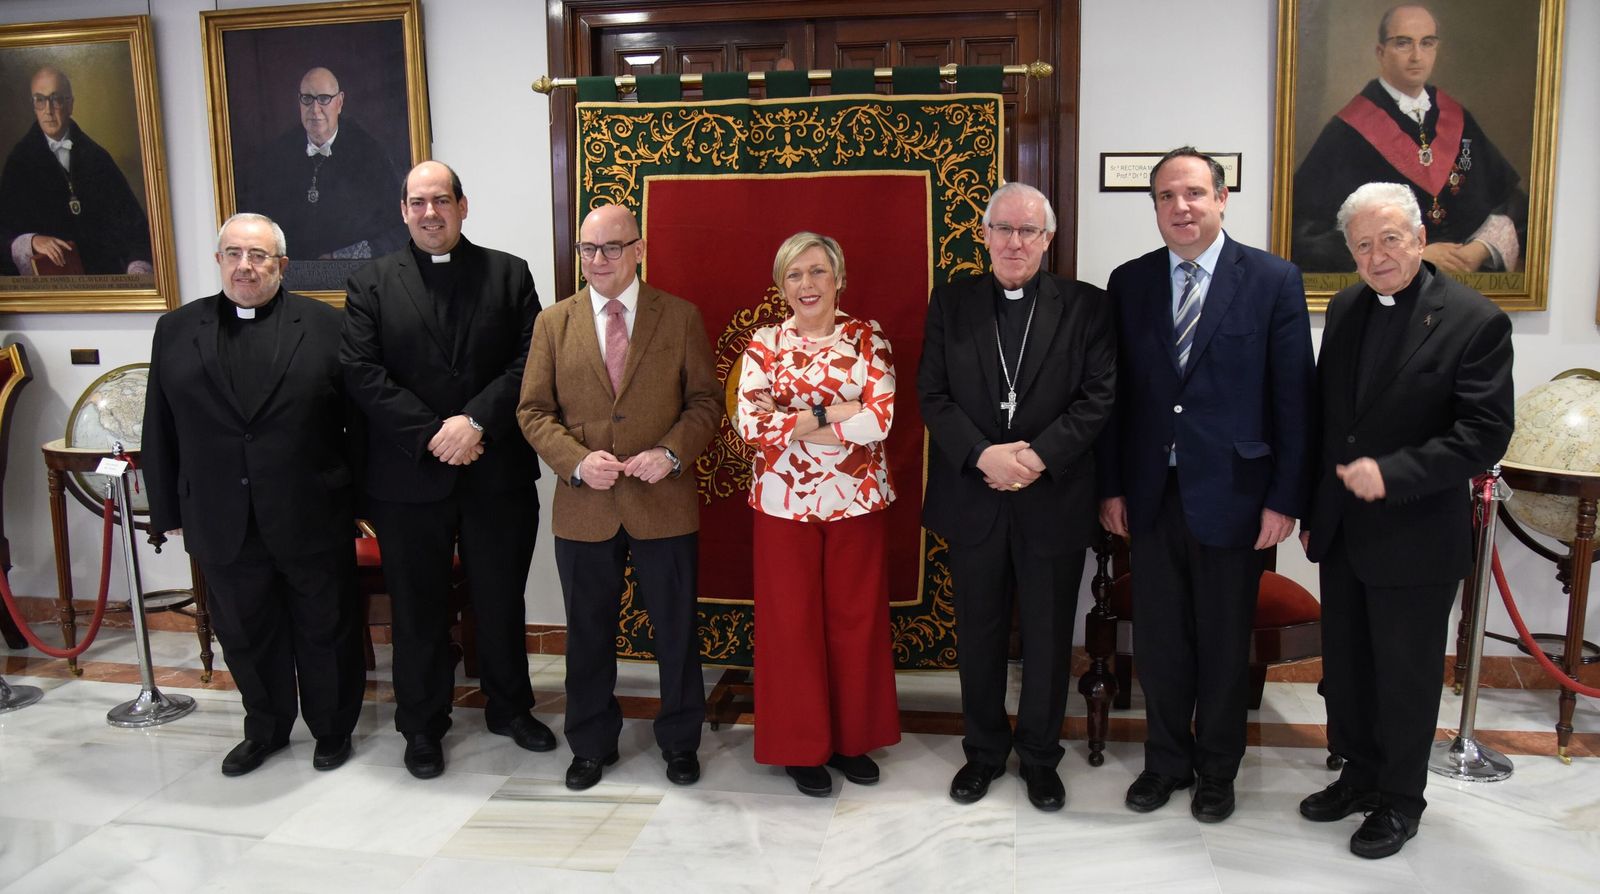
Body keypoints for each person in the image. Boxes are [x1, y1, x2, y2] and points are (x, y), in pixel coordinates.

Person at [1098, 147, 1316, 823]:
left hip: (1239, 497)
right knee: (1160, 641)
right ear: (1155, 207)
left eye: (1194, 193)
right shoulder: (1128, 283)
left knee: (1224, 643)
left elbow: (1295, 402)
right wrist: (1111, 487)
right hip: (1151, 495)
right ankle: (1166, 762)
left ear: (1223, 199)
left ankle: (1218, 770)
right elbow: (1115, 399)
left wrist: (1285, 498)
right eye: (1166, 196)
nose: (1181, 207)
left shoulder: (1272, 280)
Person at [1299, 182, 1513, 859]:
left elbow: (1484, 434)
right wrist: (1317, 508)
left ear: (1420, 238)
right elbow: (1333, 421)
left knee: (1405, 676)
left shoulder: (1474, 321)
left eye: (1390, 238)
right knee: (1351, 670)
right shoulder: (1346, 306)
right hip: (1344, 534)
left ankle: (1400, 800)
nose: (1377, 254)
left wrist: (1393, 474)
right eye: (1362, 244)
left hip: (1416, 536)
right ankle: (1358, 775)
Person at [341, 160, 552, 779]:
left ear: (464, 205)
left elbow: (529, 361)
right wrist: (434, 433)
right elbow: (362, 372)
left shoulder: (509, 274)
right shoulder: (370, 283)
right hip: (410, 477)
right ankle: (422, 724)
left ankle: (511, 708)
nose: (429, 212)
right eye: (417, 202)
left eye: (441, 200)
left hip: (496, 473)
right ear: (402, 210)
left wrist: (475, 423)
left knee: (500, 599)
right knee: (417, 607)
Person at [141, 212, 363, 776]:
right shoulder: (175, 329)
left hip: (311, 509)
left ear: (281, 265)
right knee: (243, 632)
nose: (246, 266)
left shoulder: (326, 325)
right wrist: (166, 510)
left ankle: (332, 729)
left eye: (258, 256)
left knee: (325, 627)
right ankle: (265, 728)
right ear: (218, 261)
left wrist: (361, 506)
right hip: (220, 516)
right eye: (234, 253)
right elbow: (158, 427)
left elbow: (358, 423)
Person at [918, 183, 1116, 812]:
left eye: (1028, 231)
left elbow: (1098, 397)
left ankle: (1038, 757)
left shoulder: (1086, 306)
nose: (1014, 242)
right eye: (1002, 229)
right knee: (977, 634)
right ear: (984, 235)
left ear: (1048, 240)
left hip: (1050, 497)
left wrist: (1034, 458)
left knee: (1050, 636)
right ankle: (982, 753)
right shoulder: (952, 302)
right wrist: (984, 456)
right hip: (974, 497)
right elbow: (933, 394)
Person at [517, 204, 721, 790]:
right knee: (585, 633)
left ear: (639, 249)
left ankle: (681, 741)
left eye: (611, 247)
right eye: (588, 249)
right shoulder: (553, 323)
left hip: (664, 503)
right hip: (585, 507)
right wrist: (576, 462)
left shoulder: (679, 317)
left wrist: (672, 453)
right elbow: (532, 411)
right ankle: (590, 743)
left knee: (676, 631)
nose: (598, 259)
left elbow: (706, 403)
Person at [735, 232, 900, 798]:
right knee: (790, 626)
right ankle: (800, 747)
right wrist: (835, 409)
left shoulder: (867, 337)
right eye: (794, 275)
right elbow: (753, 428)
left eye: (818, 272)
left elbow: (878, 422)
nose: (807, 285)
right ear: (782, 286)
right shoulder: (763, 344)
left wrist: (796, 416)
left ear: (839, 278)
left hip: (857, 500)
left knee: (856, 622)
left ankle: (854, 740)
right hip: (783, 505)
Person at [1292, 4, 1526, 274]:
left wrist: (1481, 248)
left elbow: (1510, 200)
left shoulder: (1458, 119)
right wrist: (1412, 255)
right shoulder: (1347, 131)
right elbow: (1303, 233)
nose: (1417, 56)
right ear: (1381, 52)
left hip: (1464, 288)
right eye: (1403, 44)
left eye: (1427, 43)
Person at [239, 67, 407, 263]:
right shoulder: (276, 156)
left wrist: (342, 257)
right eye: (307, 99)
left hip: (354, 274)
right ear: (299, 101)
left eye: (324, 99)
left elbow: (399, 228)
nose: (315, 109)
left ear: (339, 102)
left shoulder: (370, 153)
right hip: (291, 273)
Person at [0, 66, 152, 276]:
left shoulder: (97, 158)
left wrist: (136, 269)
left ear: (70, 104)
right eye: (40, 100)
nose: (48, 110)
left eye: (56, 99)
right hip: (51, 289)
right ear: (33, 106)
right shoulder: (19, 162)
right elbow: (4, 229)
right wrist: (32, 241)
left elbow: (133, 227)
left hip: (103, 279)